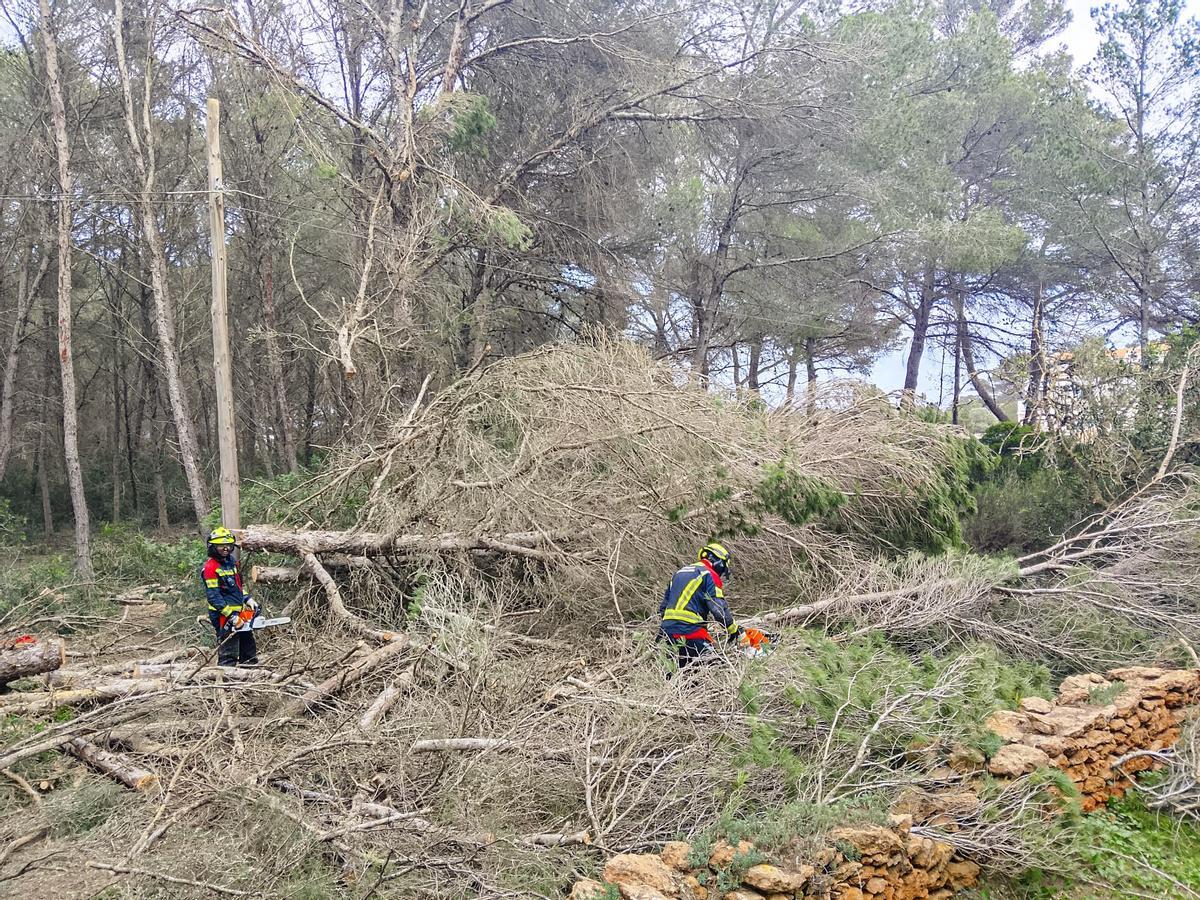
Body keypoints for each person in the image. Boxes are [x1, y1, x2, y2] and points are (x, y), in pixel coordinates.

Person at [657, 542, 741, 669]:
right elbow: (717, 609)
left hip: (666, 632)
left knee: (672, 676)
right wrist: (734, 630)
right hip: (691, 632)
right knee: (715, 669)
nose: (721, 574)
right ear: (718, 561)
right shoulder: (709, 574)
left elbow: (663, 608)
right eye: (723, 569)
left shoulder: (679, 573)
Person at [202, 527, 257, 666]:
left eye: (228, 545)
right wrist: (231, 617)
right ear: (213, 546)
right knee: (229, 649)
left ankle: (250, 674)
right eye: (221, 545)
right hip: (223, 614)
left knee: (248, 645)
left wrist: (247, 599)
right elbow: (214, 597)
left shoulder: (231, 562)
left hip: (238, 611)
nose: (225, 548)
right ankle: (226, 681)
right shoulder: (210, 568)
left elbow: (237, 587)